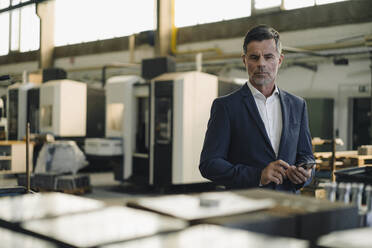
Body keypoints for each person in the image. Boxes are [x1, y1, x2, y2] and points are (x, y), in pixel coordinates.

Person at [199, 25, 315, 193]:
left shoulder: (298, 105)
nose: (261, 64)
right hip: (245, 207)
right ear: (244, 60)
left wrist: (306, 174)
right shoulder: (226, 107)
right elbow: (209, 164)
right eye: (254, 57)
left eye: (268, 57)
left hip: (287, 206)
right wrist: (258, 176)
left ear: (280, 60)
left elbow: (306, 156)